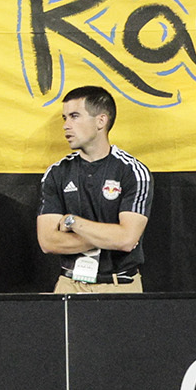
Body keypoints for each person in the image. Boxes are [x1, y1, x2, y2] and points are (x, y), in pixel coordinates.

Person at [36, 86, 151, 294]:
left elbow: (126, 240)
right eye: (65, 118)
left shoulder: (133, 171)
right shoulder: (56, 173)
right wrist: (109, 237)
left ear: (101, 121)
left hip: (119, 285)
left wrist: (72, 222)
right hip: (69, 284)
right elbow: (47, 241)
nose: (66, 126)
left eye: (74, 116)